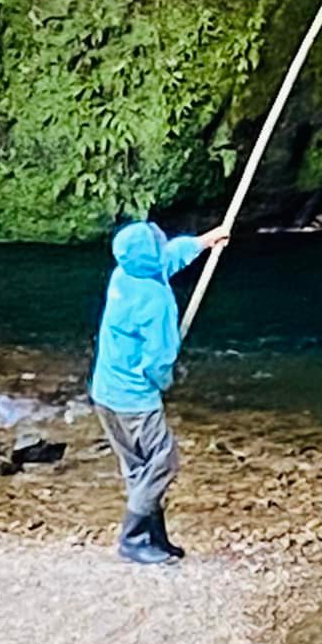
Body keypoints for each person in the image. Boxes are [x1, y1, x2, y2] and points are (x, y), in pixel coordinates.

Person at [90, 217, 229, 565]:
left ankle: (155, 536)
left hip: (104, 391)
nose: (162, 242)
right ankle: (133, 537)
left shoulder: (125, 275)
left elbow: (167, 257)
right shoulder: (155, 301)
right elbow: (160, 355)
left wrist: (204, 242)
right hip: (134, 398)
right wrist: (163, 381)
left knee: (138, 465)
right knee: (163, 462)